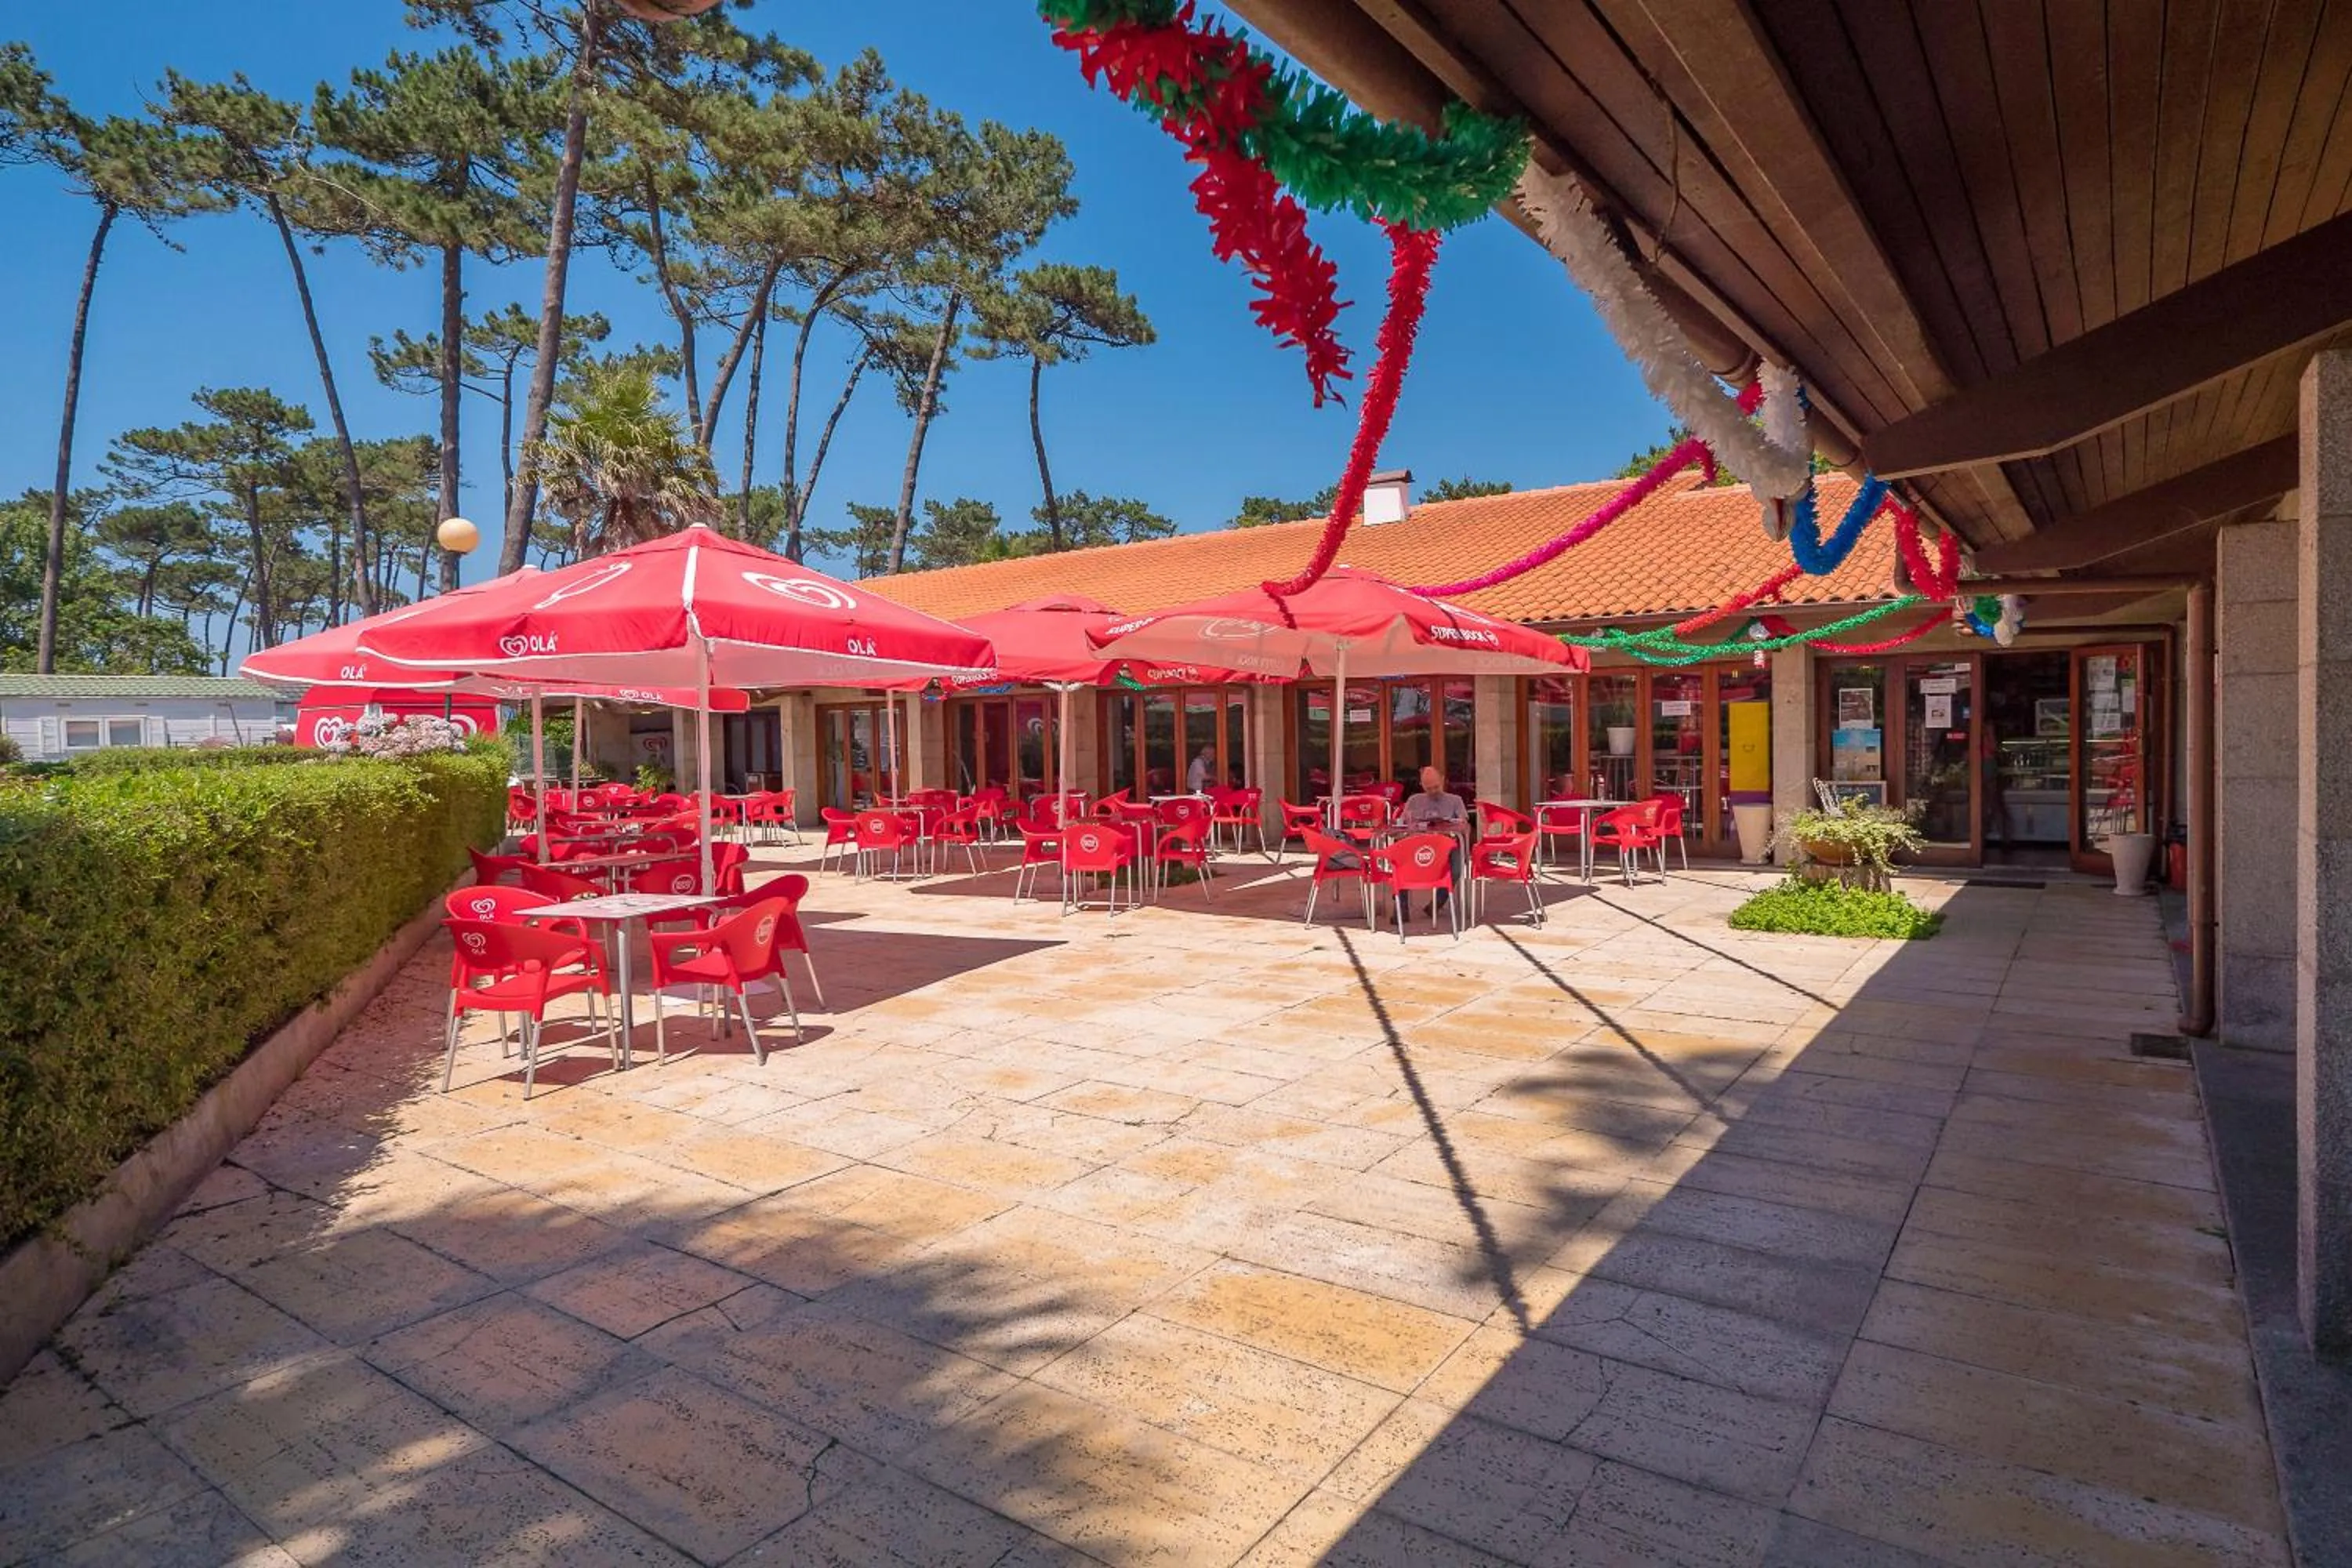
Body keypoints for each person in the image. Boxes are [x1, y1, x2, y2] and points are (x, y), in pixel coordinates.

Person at [1397, 765, 1468, 918]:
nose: (1433, 791)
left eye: (1436, 787)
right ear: (1422, 785)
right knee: (1399, 862)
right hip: (1419, 845)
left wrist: (1454, 824)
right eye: (1429, 788)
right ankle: (1401, 909)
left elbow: (1464, 824)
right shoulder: (1414, 800)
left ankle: (1437, 903)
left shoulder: (1455, 801)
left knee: (1456, 869)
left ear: (1443, 780)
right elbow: (1403, 824)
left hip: (1446, 845)